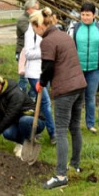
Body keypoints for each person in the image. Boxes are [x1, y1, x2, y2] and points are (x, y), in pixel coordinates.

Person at [34, 8, 87, 190]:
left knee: (61, 130)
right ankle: (75, 165)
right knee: (75, 127)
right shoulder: (64, 34)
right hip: (80, 85)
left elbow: (48, 68)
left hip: (66, 89)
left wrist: (41, 82)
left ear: (38, 26)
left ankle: (61, 175)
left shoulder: (47, 41)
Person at [0, 69, 47, 155]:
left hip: (35, 121)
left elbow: (10, 116)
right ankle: (21, 141)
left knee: (24, 121)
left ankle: (26, 144)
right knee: (7, 133)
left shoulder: (15, 94)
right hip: (18, 120)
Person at [67, 3, 99, 134]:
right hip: (77, 69)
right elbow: (67, 47)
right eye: (83, 14)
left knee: (90, 97)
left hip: (94, 69)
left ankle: (90, 124)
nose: (85, 17)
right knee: (75, 97)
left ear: (94, 15)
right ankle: (73, 123)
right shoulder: (74, 27)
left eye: (88, 15)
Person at [20, 13, 56, 144]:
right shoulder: (30, 33)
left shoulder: (46, 31)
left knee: (40, 103)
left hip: (44, 72)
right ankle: (53, 133)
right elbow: (28, 54)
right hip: (34, 74)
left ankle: (36, 129)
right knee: (46, 102)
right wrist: (46, 52)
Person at [16, 0, 39, 91]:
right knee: (24, 77)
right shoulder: (23, 20)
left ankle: (32, 96)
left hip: (33, 52)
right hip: (23, 51)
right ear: (29, 9)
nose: (38, 11)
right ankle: (21, 95)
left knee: (35, 77)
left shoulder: (34, 19)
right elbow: (32, 33)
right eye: (36, 9)